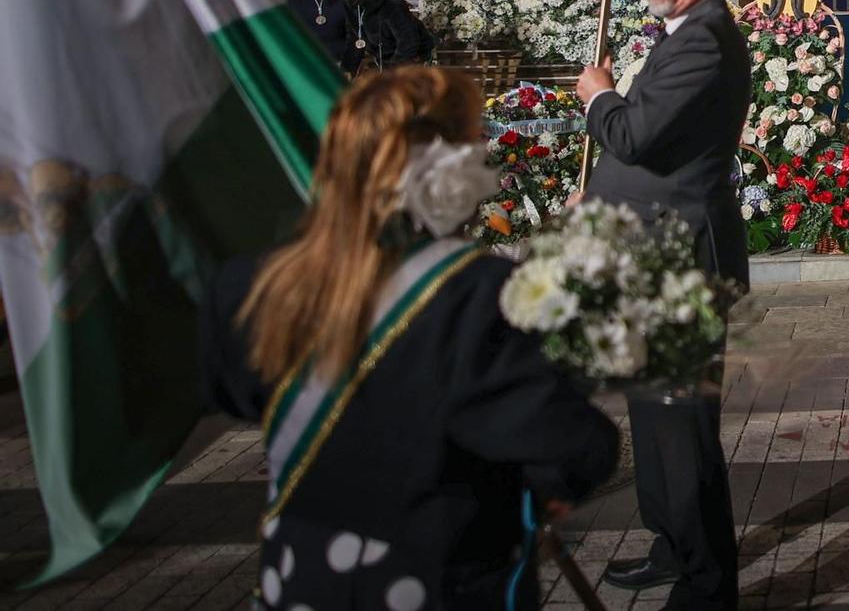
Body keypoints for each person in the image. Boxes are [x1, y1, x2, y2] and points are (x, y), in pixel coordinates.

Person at [200, 66, 619, 608]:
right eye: (475, 143)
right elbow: (577, 447)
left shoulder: (248, 288)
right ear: (440, 169)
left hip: (300, 578)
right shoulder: (474, 297)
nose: (484, 160)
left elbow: (234, 393)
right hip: (442, 578)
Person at [577, 0, 751, 608]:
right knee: (652, 417)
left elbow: (633, 132)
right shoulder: (684, 36)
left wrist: (599, 94)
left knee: (681, 430)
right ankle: (671, 544)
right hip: (649, 249)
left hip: (678, 257)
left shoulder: (703, 42)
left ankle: (709, 583)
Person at [338, 0, 434, 75]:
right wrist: (347, 70)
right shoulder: (353, 4)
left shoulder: (392, 6)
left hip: (410, 63)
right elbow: (355, 38)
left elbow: (408, 43)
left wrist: (391, 72)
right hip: (383, 62)